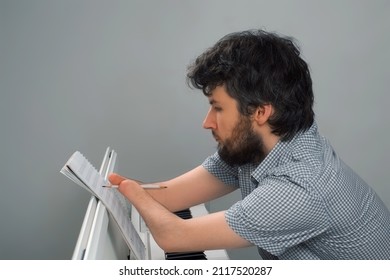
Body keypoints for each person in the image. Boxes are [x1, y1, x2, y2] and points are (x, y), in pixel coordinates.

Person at [109, 29, 390, 260]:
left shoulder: (301, 186)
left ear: (260, 112)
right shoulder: (257, 146)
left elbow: (173, 236)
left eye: (217, 108)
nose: (207, 122)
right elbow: (170, 196)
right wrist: (119, 188)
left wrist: (131, 191)